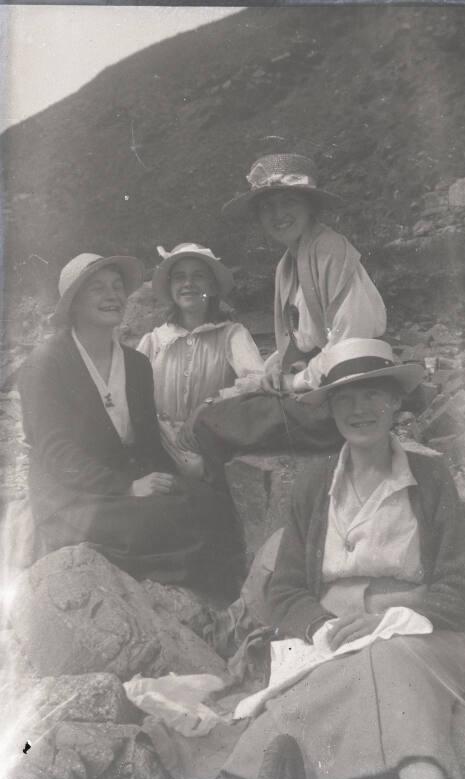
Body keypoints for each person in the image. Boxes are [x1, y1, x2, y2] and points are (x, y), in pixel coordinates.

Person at [221, 338, 465, 779]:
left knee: (388, 659)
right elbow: (285, 590)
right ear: (331, 409)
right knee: (329, 684)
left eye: (372, 395)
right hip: (334, 636)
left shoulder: (431, 477)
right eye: (345, 399)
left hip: (421, 632)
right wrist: (323, 626)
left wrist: (389, 621)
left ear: (396, 402)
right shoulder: (313, 483)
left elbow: (460, 586)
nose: (359, 410)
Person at [18, 252, 240, 592]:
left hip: (123, 481)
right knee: (165, 524)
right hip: (71, 496)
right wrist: (125, 488)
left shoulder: (136, 364)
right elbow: (55, 452)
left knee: (209, 504)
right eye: (97, 289)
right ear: (74, 303)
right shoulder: (46, 364)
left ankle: (223, 607)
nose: (112, 295)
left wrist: (177, 479)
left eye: (117, 286)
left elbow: (148, 442)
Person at [192, 153, 388, 473]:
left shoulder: (330, 251)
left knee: (211, 421)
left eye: (289, 202)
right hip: (321, 386)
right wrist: (277, 369)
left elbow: (351, 346)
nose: (278, 214)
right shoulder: (288, 264)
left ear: (310, 206)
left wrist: (293, 380)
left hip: (352, 392)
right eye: (267, 207)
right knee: (219, 410)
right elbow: (299, 341)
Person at [137, 242, 264, 479]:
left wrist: (210, 404)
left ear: (213, 287)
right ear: (170, 288)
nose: (188, 284)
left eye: (198, 276)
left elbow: (257, 381)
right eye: (179, 277)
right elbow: (132, 397)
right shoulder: (154, 341)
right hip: (159, 451)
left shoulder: (231, 334)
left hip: (212, 447)